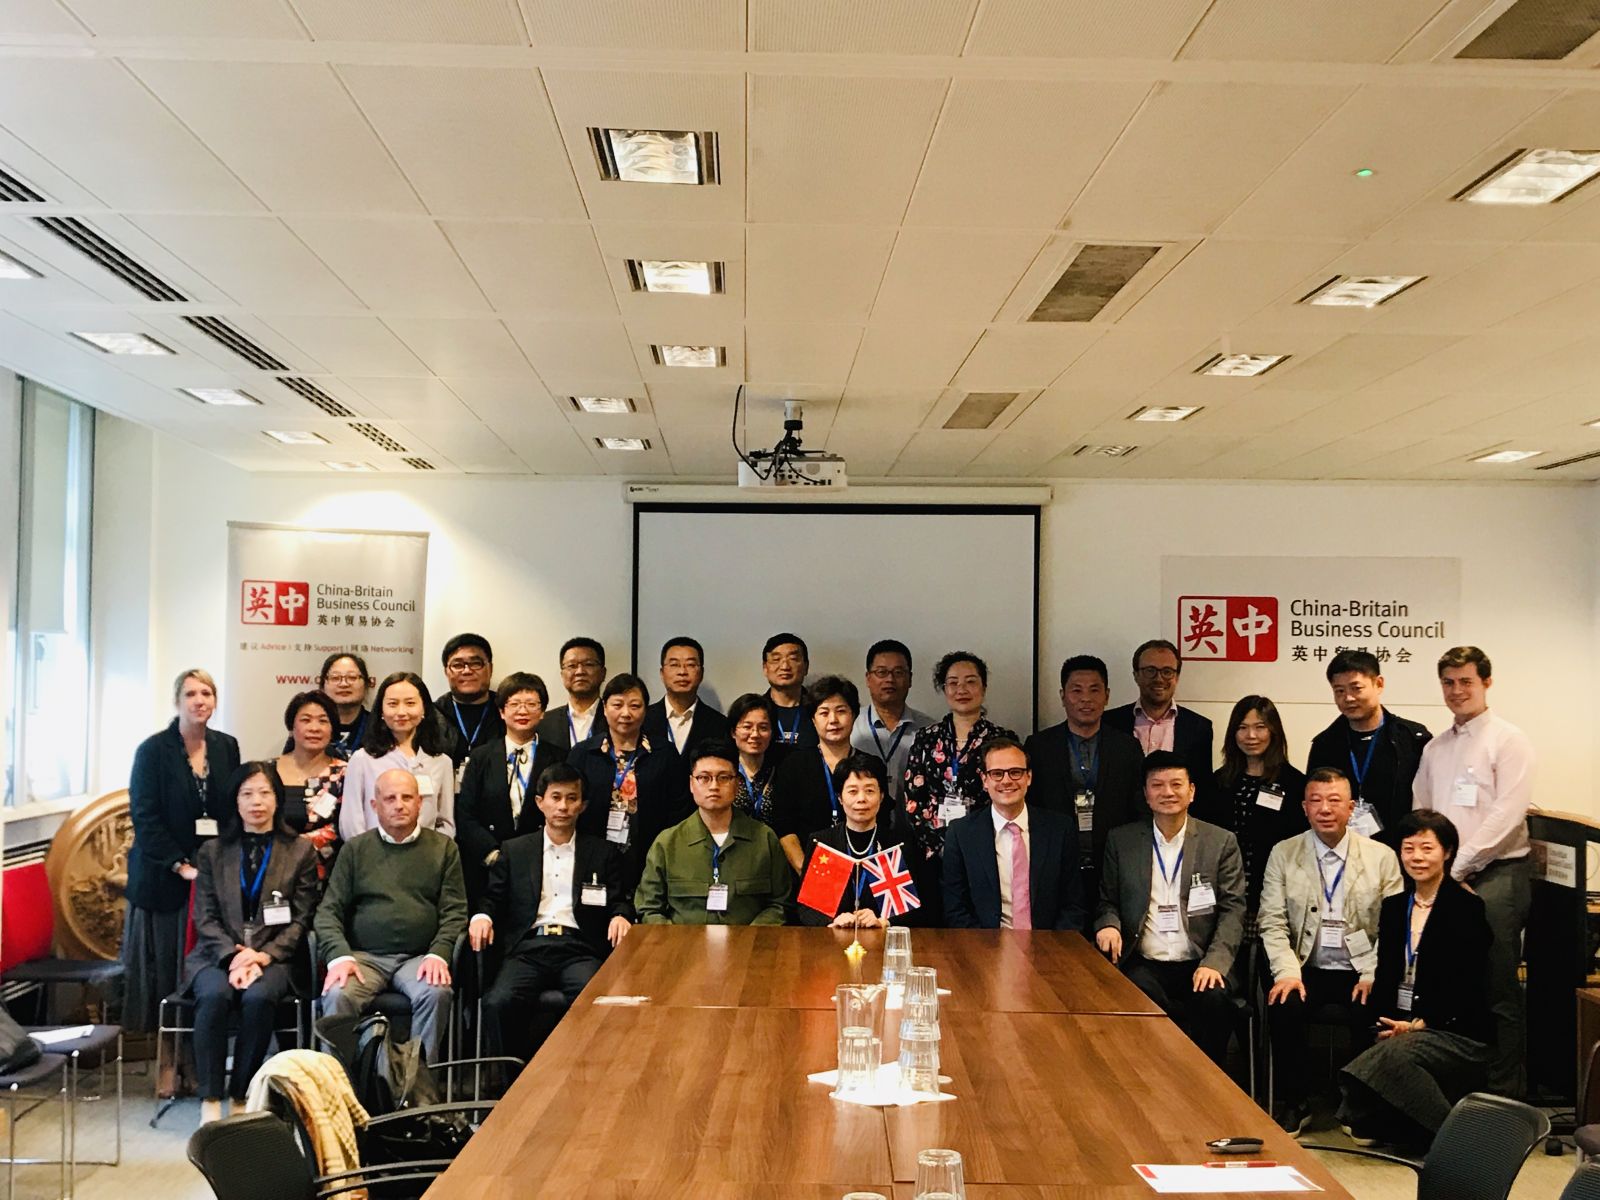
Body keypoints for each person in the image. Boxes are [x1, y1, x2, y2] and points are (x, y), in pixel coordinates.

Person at [1411, 645, 1533, 1099]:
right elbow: (1423, 811)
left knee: (1498, 987)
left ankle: (1503, 1099)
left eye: (1466, 681)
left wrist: (1457, 867)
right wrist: (1434, 867)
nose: (1457, 690)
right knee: (1448, 984)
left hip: (1496, 876)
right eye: (1448, 682)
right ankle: (1458, 1094)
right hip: (1445, 879)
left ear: (1486, 682)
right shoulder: (1435, 748)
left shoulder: (1508, 740)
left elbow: (1507, 814)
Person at [1259, 767, 1405, 1134]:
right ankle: (1295, 1101)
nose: (1325, 809)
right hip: (1304, 965)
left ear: (1351, 808)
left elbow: (1392, 929)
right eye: (1316, 801)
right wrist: (1286, 972)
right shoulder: (1284, 852)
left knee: (1373, 1004)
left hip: (1360, 967)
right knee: (1283, 1003)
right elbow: (1272, 922)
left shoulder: (1382, 856)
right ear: (1304, 807)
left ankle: (1359, 1103)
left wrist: (1372, 972)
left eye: (1335, 800)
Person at [1337, 808, 1494, 1149]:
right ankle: (1383, 1119)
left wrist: (1420, 1025)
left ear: (1447, 852)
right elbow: (1386, 974)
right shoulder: (1395, 906)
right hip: (1402, 1022)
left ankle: (1457, 1144)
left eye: (1427, 848)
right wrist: (1383, 1024)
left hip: (1452, 1029)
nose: (1417, 857)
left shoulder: (1467, 908)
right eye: (1408, 849)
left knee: (1392, 1057)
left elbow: (1468, 985)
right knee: (1381, 1043)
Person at [185, 762, 319, 1124]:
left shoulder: (300, 850)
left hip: (273, 956)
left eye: (264, 793)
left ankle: (241, 1093)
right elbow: (204, 917)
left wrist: (263, 956)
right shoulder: (212, 851)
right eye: (247, 794)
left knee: (259, 998)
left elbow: (302, 917)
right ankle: (210, 1096)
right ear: (235, 800)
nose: (256, 802)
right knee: (214, 996)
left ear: (277, 799)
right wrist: (233, 957)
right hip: (217, 954)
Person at [469, 764, 633, 1058]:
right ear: (539, 802)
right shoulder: (515, 850)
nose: (563, 807)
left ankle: (585, 1073)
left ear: (582, 805)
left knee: (597, 1001)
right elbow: (493, 898)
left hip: (579, 948)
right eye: (555, 797)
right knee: (498, 1002)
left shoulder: (600, 852)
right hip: (529, 947)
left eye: (572, 798)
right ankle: (512, 1079)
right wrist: (482, 917)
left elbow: (618, 899)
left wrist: (620, 915)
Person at [1094, 750, 1246, 1066]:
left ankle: (1206, 1080)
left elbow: (1233, 910)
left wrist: (1215, 963)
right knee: (1133, 995)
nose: (1168, 792)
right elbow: (1107, 900)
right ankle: (1153, 1078)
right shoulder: (1122, 841)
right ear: (1146, 794)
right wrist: (1108, 924)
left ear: (1192, 791)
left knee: (1214, 1001)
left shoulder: (1220, 842)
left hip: (1200, 960)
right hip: (1145, 961)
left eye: (1176, 784)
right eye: (1157, 785)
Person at [315, 768, 467, 1062]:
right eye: (390, 798)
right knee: (337, 993)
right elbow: (328, 911)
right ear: (375, 805)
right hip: (363, 959)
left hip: (419, 958)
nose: (399, 805)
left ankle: (417, 1083)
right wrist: (339, 956)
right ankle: (340, 1083)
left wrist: (439, 953)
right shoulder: (355, 849)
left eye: (407, 797)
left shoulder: (444, 848)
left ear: (420, 803)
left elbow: (455, 911)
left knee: (436, 993)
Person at [123, 669, 242, 1036]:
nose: (199, 701)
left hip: (211, 876)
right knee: (167, 970)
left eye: (206, 693)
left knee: (206, 967)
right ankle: (168, 1053)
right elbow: (145, 817)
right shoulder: (153, 751)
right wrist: (179, 864)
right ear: (177, 701)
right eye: (191, 694)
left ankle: (200, 1048)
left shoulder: (226, 746)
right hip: (163, 877)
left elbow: (231, 809)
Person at [1024, 655, 1145, 905]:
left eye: (1094, 690)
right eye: (1076, 690)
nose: (1086, 699)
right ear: (1062, 696)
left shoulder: (1127, 747)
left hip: (1112, 864)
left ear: (1107, 695)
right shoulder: (1039, 746)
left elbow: (1137, 809)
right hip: (1056, 864)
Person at [633, 739, 793, 925]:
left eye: (723, 777)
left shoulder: (764, 839)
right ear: (691, 784)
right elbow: (649, 908)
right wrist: (677, 940)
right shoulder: (667, 843)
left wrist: (749, 937)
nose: (714, 786)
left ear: (737, 784)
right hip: (683, 943)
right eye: (704, 778)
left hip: (748, 942)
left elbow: (780, 904)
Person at [943, 738, 1086, 932]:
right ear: (984, 780)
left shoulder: (1060, 829)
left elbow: (1074, 904)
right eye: (997, 774)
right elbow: (955, 909)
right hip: (984, 944)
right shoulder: (961, 834)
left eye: (1015, 772)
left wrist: (1051, 946)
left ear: (1029, 777)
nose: (1007, 780)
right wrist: (988, 946)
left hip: (1049, 944)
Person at [568, 674, 688, 895]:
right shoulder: (583, 754)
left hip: (649, 856)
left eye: (635, 706)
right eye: (617, 705)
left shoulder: (664, 753)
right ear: (605, 708)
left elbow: (678, 810)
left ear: (645, 710)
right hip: (594, 855)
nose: (626, 713)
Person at [455, 672, 564, 904]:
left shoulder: (558, 758)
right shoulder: (481, 757)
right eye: (514, 704)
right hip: (489, 865)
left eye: (531, 704)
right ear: (502, 712)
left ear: (542, 711)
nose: (522, 711)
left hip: (541, 863)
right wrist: (493, 854)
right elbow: (465, 814)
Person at [901, 651, 1019, 863]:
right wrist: (940, 846)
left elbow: (1011, 795)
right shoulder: (926, 738)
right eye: (953, 683)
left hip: (989, 849)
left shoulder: (1002, 739)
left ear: (983, 687)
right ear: (944, 688)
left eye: (970, 682)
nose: (961, 690)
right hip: (934, 853)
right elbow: (913, 799)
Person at [1306, 650, 1431, 846]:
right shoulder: (1325, 745)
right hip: (1341, 851)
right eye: (1339, 691)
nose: (1348, 698)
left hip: (1400, 851)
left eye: (1356, 688)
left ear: (1378, 684)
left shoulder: (1412, 739)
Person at [793, 754, 927, 928]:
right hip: (833, 939)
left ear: (881, 796)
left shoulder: (898, 844)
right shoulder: (825, 843)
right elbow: (807, 909)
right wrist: (832, 922)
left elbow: (916, 909)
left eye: (870, 791)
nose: (861, 799)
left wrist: (883, 921)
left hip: (881, 938)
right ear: (840, 798)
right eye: (853, 791)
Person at [1204, 696, 1308, 910]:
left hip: (1275, 891)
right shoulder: (1218, 782)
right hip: (1224, 890)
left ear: (1273, 731)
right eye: (1242, 728)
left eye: (1260, 727)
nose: (1251, 736)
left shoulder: (1295, 784)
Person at [768, 677, 879, 873]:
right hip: (808, 870)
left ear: (853, 715)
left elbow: (881, 823)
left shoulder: (871, 766)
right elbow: (784, 827)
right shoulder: (794, 765)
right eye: (824, 713)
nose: (833, 720)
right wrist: (807, 872)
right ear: (813, 719)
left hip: (864, 869)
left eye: (841, 711)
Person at [340, 671, 455, 840]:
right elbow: (351, 823)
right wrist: (366, 852)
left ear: (424, 708)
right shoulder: (362, 759)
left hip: (427, 853)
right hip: (373, 853)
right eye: (393, 704)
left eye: (410, 703)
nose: (401, 712)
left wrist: (432, 852)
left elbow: (446, 823)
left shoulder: (441, 762)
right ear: (381, 710)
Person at [1105, 639, 1215, 788]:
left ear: (1177, 677)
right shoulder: (1109, 722)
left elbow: (1203, 786)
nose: (1159, 678)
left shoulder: (1199, 728)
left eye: (1167, 672)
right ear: (1136, 675)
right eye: (1150, 671)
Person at [273, 690, 346, 882]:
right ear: (291, 727)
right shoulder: (268, 771)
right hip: (273, 870)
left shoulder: (345, 773)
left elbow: (345, 827)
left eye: (323, 721)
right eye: (306, 720)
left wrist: (298, 849)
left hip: (326, 874)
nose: (314, 728)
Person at [851, 639, 934, 800]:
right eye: (881, 672)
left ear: (910, 679)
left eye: (898, 672)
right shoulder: (851, 725)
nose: (890, 679)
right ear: (868, 678)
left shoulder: (929, 730)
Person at [641, 636, 728, 758]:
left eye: (690, 665)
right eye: (674, 665)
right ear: (662, 673)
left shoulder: (720, 724)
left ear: (701, 673)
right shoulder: (642, 720)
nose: (682, 672)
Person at [436, 633, 504, 767]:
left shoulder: (507, 712)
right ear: (446, 672)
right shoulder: (432, 715)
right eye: (458, 665)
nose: (467, 671)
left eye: (476, 663)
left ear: (490, 669)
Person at [537, 637, 608, 754]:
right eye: (572, 666)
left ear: (603, 673)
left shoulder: (616, 720)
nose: (580, 671)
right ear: (562, 674)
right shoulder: (544, 722)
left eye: (588, 664)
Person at [726, 693, 786, 823]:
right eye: (747, 727)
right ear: (733, 732)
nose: (755, 734)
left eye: (763, 728)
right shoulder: (724, 772)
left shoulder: (783, 772)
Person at [761, 633, 816, 748]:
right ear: (765, 668)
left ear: (806, 666)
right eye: (776, 659)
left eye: (793, 659)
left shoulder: (819, 709)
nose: (785, 666)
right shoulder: (754, 711)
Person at [316, 652, 372, 756]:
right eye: (335, 678)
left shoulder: (380, 727)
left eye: (352, 677)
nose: (344, 684)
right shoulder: (311, 727)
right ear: (323, 685)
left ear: (366, 684)